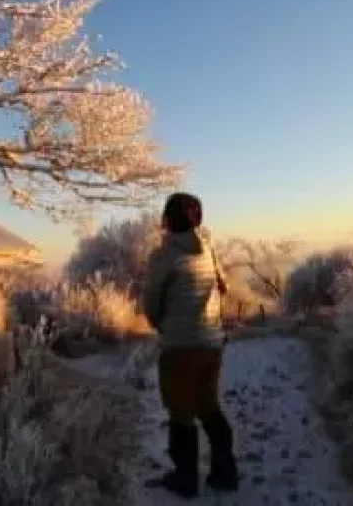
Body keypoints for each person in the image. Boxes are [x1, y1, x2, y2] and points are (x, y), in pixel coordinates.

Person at [142, 192, 239, 498]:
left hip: (180, 348)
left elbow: (151, 304)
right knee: (208, 406)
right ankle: (225, 473)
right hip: (211, 344)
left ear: (168, 220)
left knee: (181, 414)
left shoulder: (164, 255)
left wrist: (164, 327)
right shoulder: (208, 250)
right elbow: (224, 285)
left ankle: (186, 481)